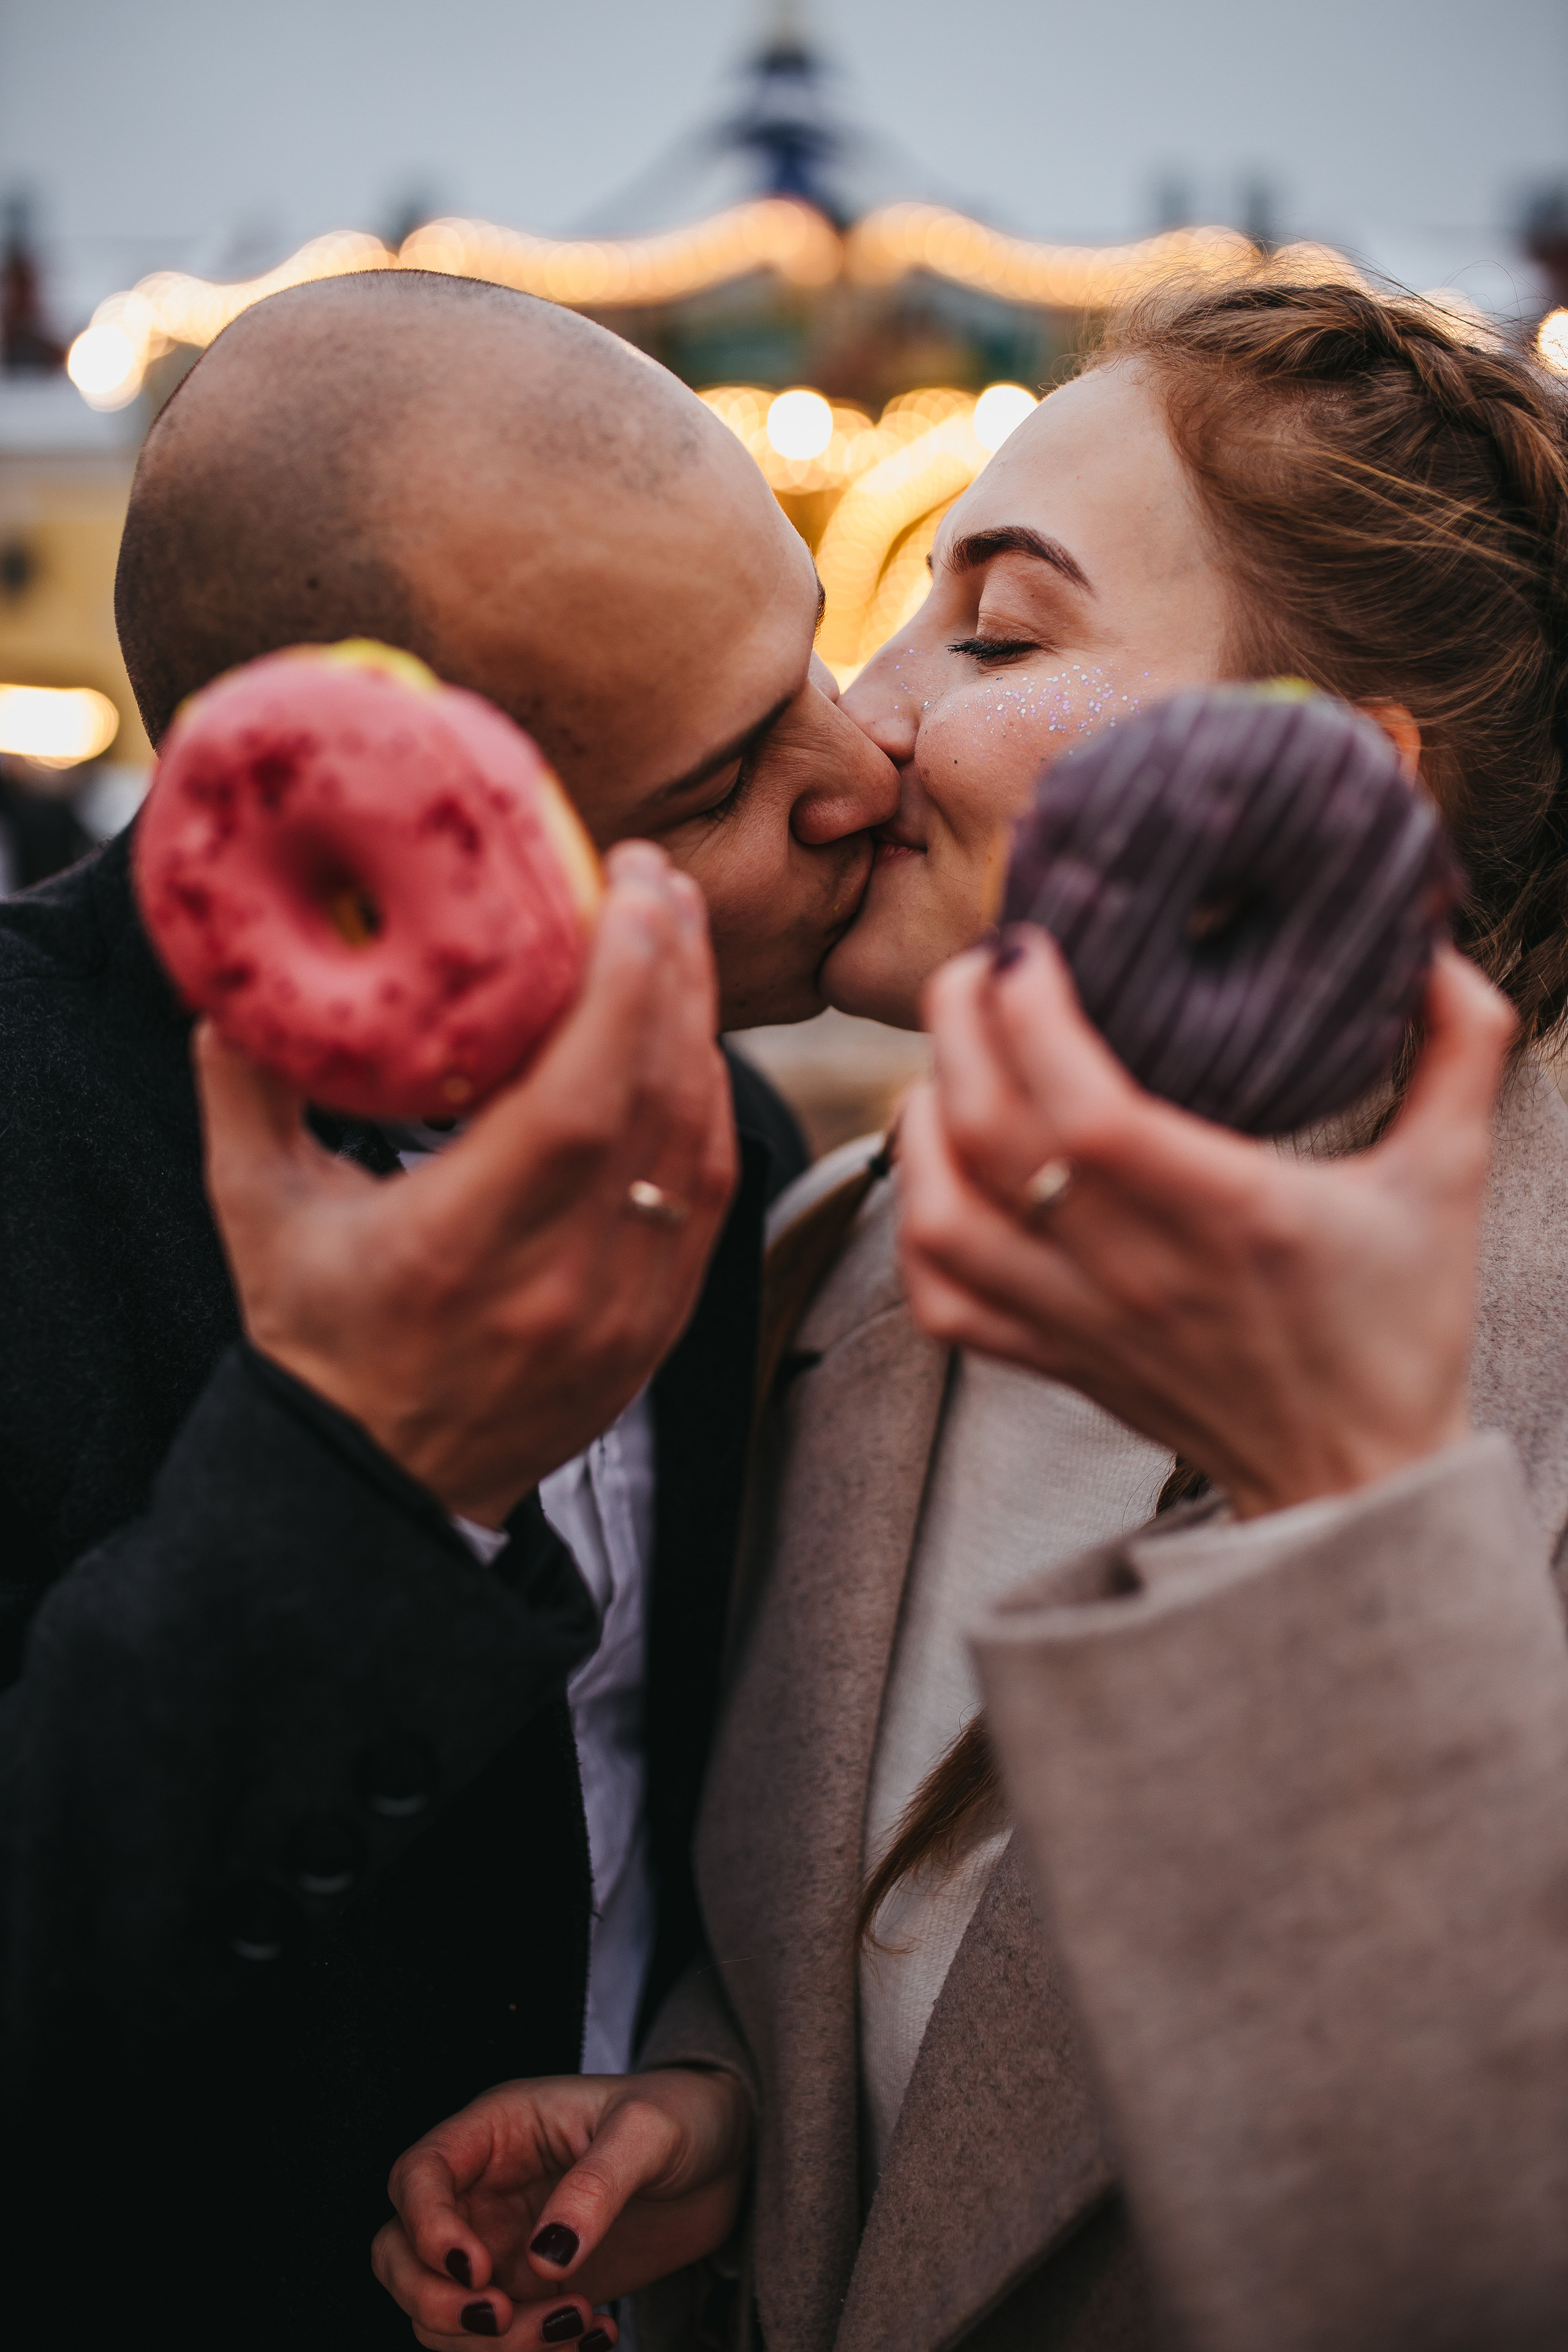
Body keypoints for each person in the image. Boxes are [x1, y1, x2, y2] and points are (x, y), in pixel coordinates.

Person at [372, 275, 1568, 2351]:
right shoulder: (824, 1261)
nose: (856, 722)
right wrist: (748, 2124)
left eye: (999, 635)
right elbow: (904, 1966)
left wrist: (1337, 1523)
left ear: (1331, 803)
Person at [0, 268, 896, 2350]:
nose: (861, 775)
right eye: (721, 780)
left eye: (817, 667)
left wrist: (708, 2108)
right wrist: (360, 1482)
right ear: (351, 857)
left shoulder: (731, 1138)